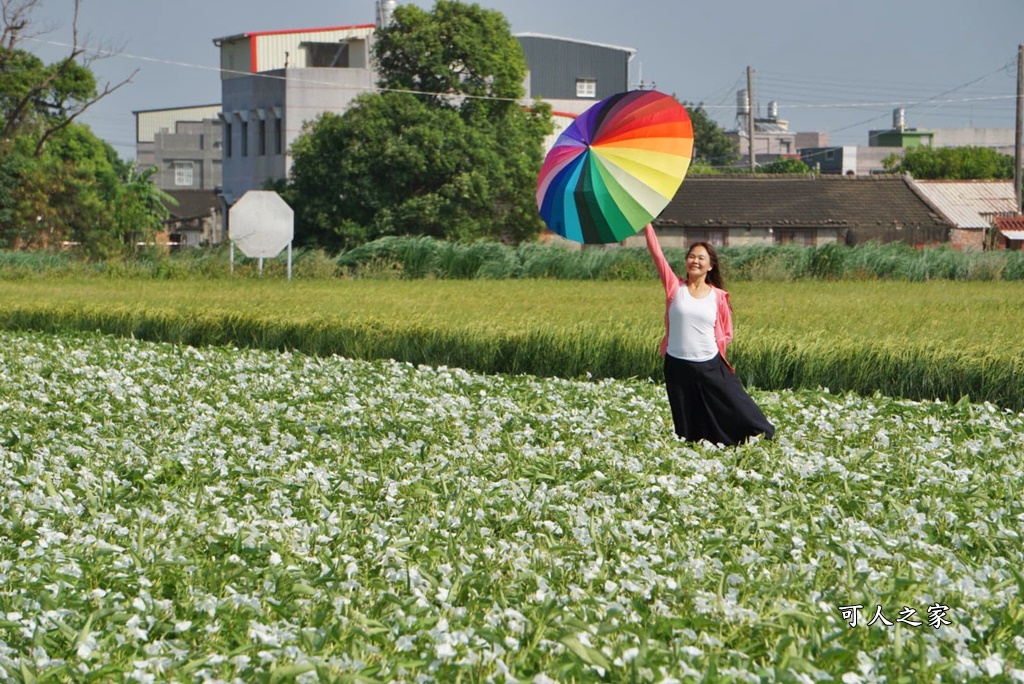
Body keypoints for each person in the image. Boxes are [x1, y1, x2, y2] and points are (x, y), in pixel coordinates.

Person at [644, 224, 775, 445]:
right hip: (677, 364)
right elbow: (657, 254)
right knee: (686, 421)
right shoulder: (675, 288)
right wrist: (646, 223)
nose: (695, 261)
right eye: (691, 256)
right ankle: (694, 448)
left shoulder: (718, 296)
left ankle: (763, 435)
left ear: (710, 265)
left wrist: (717, 353)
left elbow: (726, 332)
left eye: (701, 258)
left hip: (709, 363)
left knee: (736, 404)